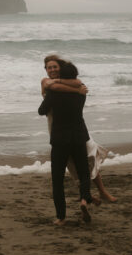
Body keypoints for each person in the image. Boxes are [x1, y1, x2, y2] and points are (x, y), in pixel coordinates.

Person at [41, 55, 118, 205]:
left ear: (61, 68)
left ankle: (97, 192)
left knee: (89, 155)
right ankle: (87, 195)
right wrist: (77, 91)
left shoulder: (70, 81)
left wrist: (72, 86)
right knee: (73, 163)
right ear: (45, 70)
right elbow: (56, 87)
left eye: (55, 67)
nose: (52, 70)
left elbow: (78, 82)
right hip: (56, 124)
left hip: (75, 126)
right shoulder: (46, 81)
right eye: (49, 67)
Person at [39, 58, 94, 225]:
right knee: (84, 173)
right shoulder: (81, 91)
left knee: (57, 179)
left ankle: (61, 217)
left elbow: (41, 111)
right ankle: (84, 201)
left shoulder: (54, 93)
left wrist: (48, 100)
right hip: (78, 136)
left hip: (60, 139)